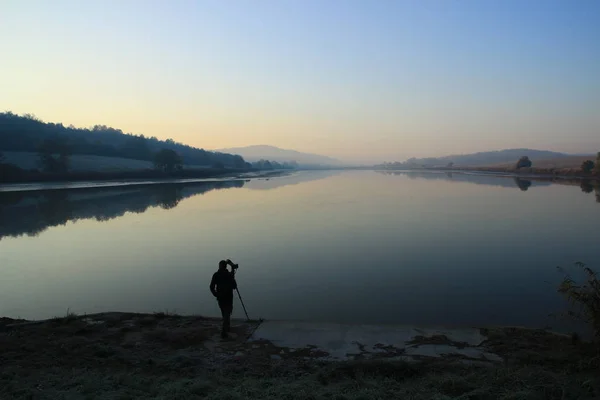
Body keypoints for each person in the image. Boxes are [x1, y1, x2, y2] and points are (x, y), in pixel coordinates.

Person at [209, 259, 237, 338]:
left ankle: (226, 328)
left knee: (224, 313)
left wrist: (216, 294)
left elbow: (211, 287)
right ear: (225, 267)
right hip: (228, 297)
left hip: (220, 297)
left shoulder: (216, 275)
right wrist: (232, 273)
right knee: (227, 313)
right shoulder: (228, 275)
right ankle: (224, 331)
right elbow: (234, 286)